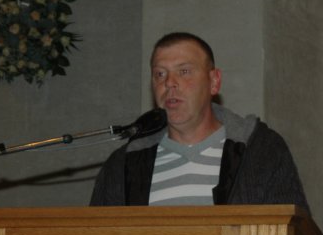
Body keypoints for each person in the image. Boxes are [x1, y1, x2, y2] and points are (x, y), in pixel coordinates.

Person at [90, 32, 308, 209]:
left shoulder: (262, 152)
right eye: (160, 74)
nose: (170, 83)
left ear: (214, 82)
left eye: (184, 71)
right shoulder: (123, 165)